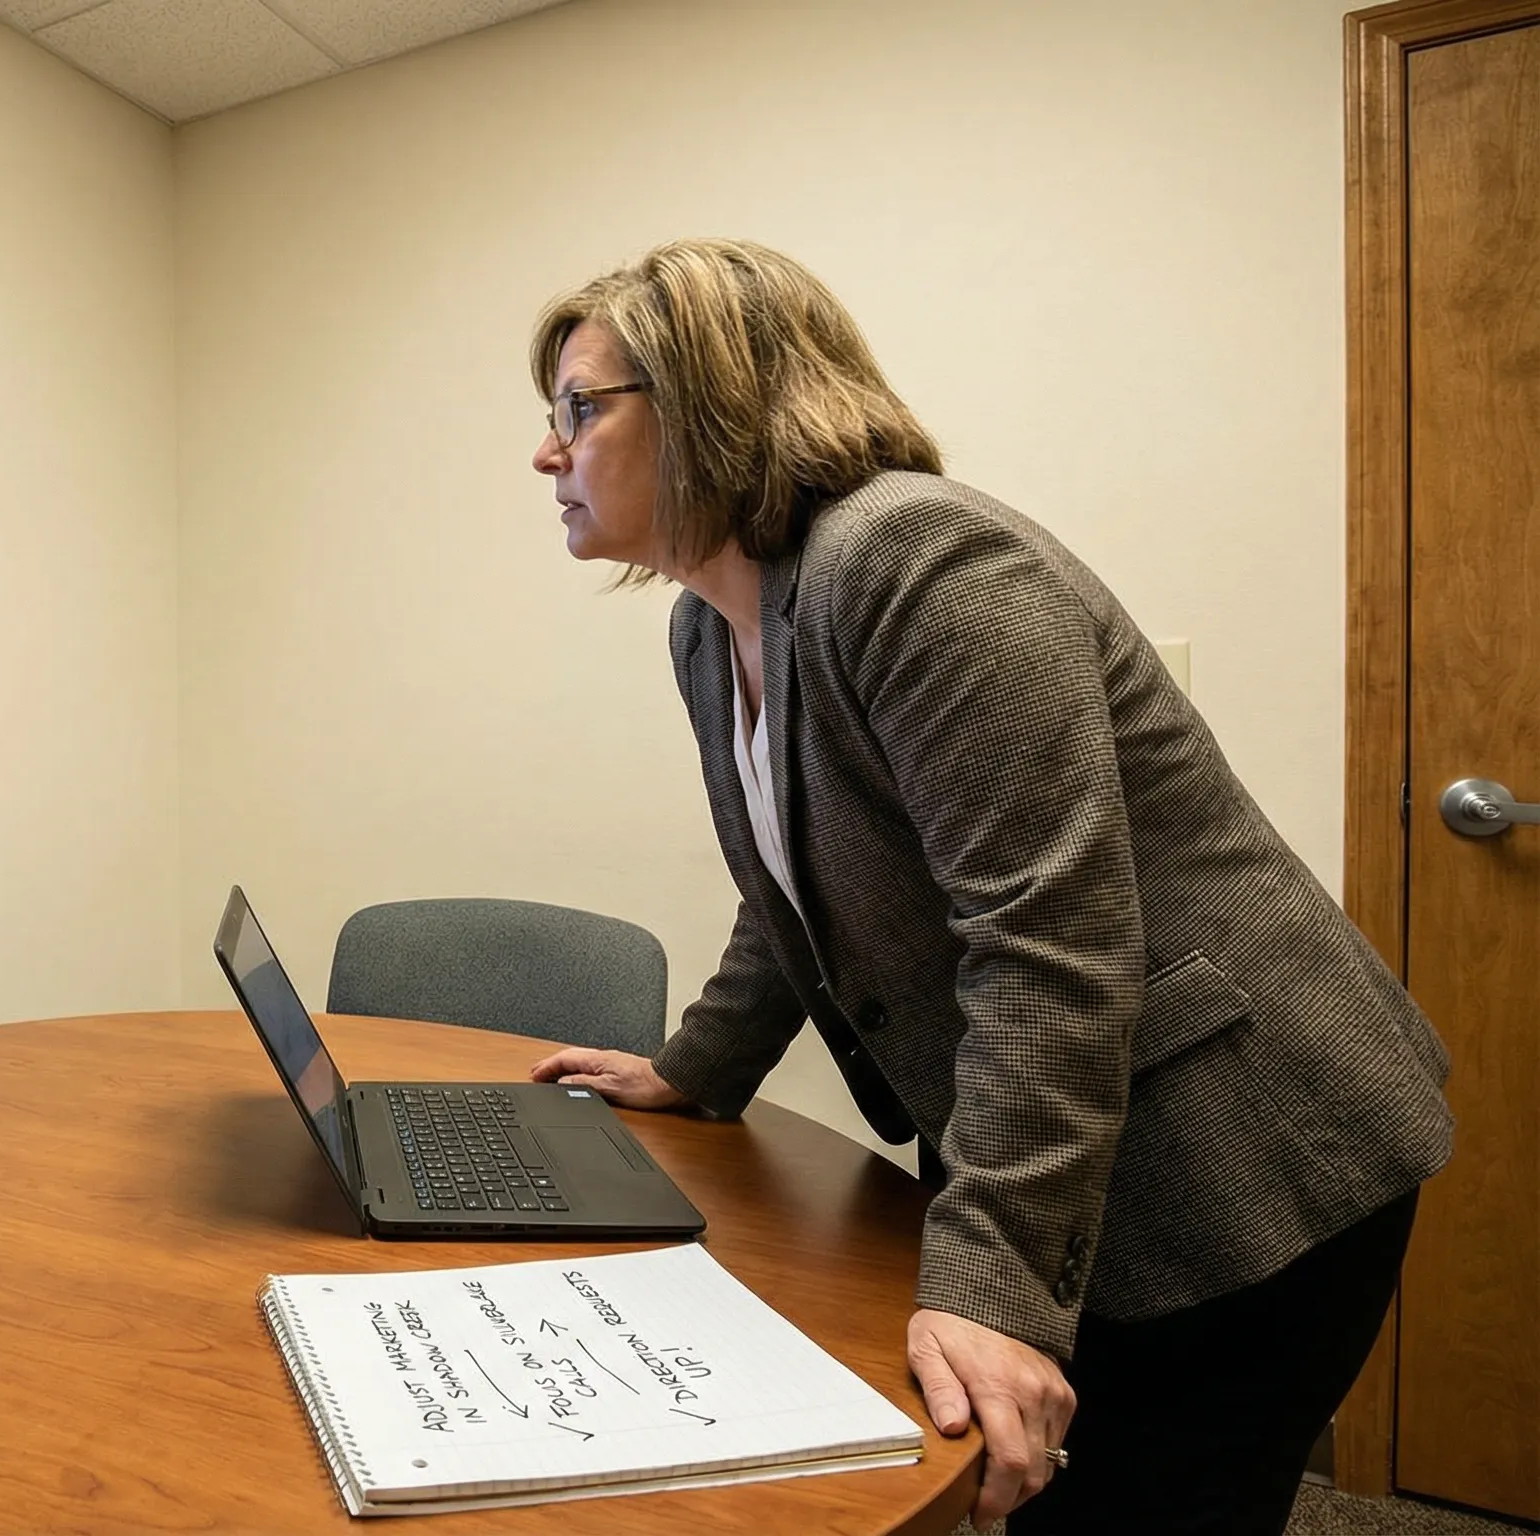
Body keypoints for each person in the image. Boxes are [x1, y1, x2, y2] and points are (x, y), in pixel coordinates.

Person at [519, 239, 1451, 1534]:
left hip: (1242, 1143)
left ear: (711, 395)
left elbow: (1048, 942)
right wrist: (699, 1066)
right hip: (1077, 1137)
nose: (547, 453)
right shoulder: (706, 625)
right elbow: (792, 891)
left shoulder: (913, 557)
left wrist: (992, 1283)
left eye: (578, 407)